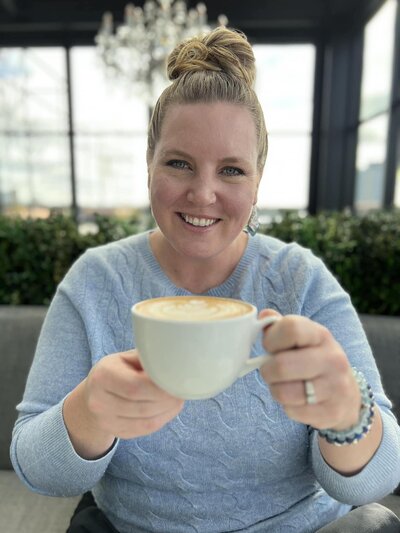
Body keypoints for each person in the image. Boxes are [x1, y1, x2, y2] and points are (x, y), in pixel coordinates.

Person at [10, 26, 400, 533]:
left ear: (258, 180)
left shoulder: (300, 280)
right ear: (148, 164)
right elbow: (35, 467)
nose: (203, 193)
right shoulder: (96, 282)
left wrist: (348, 412)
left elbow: (376, 479)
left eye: (232, 171)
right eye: (179, 163)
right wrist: (89, 412)